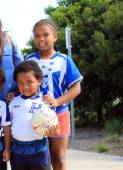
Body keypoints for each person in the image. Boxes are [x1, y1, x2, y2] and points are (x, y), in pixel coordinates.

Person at [26, 19, 83, 170]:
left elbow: (76, 88)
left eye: (46, 34)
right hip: (33, 115)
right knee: (38, 158)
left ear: (55, 36)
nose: (41, 39)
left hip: (59, 114)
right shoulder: (28, 60)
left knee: (58, 158)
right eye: (37, 35)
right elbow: (21, 84)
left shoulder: (64, 60)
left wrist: (57, 101)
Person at [9, 60, 59, 170]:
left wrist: (54, 131)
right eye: (21, 83)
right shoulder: (13, 102)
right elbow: (8, 125)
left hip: (39, 150)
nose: (25, 86)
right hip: (17, 151)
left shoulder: (46, 102)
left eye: (29, 82)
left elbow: (54, 125)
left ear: (39, 81)